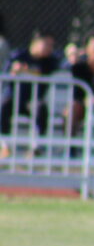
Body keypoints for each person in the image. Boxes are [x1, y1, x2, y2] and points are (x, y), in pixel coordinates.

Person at [1, 30, 59, 158]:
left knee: (40, 109)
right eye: (47, 44)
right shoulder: (18, 55)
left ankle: (36, 147)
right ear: (35, 43)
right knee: (3, 107)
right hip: (14, 98)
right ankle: (5, 146)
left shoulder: (49, 61)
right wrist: (15, 70)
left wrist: (27, 70)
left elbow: (45, 71)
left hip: (32, 100)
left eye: (52, 45)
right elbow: (8, 71)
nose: (50, 48)